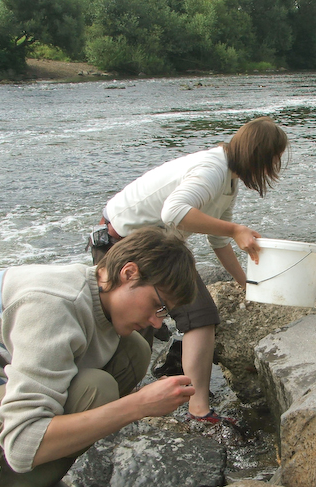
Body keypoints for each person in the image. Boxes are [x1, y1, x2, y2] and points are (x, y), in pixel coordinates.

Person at [0, 227, 198, 486]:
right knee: (94, 390)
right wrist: (138, 406)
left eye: (164, 313)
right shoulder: (52, 306)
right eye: (158, 306)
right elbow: (22, 442)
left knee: (132, 352)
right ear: (129, 273)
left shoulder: (92, 290)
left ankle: (32, 470)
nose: (157, 323)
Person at [88, 116, 288, 424]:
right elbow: (175, 212)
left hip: (151, 245)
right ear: (258, 155)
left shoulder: (227, 180)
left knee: (140, 333)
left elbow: (218, 239)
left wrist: (246, 283)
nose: (272, 168)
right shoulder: (212, 170)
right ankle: (198, 410)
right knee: (198, 315)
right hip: (125, 246)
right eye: (273, 160)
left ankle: (122, 405)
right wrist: (236, 229)